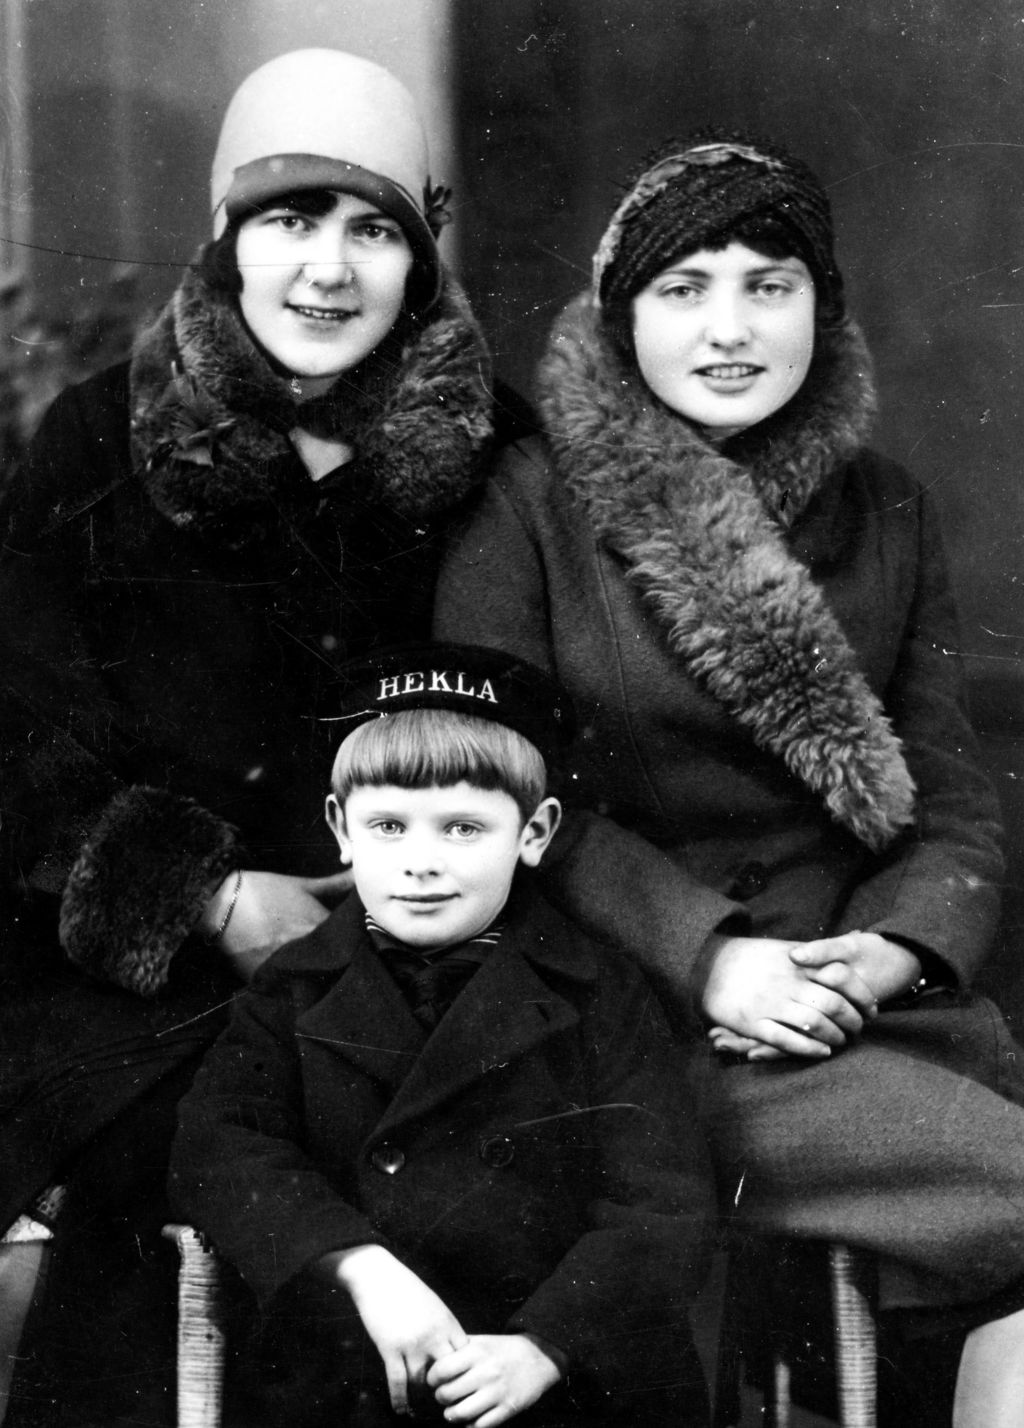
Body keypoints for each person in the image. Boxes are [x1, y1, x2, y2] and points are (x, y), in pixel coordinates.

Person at [434, 132, 1024, 1425]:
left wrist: (888, 952)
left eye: (770, 284)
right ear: (622, 316)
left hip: (855, 1009)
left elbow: (952, 800)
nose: (730, 328)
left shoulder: (888, 508)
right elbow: (509, 805)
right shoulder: (526, 506)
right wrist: (710, 957)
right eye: (684, 288)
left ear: (824, 304)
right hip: (636, 1027)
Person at [0, 49, 515, 1427]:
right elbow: (20, 751)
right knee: (216, 1158)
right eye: (289, 219)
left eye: (373, 230)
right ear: (223, 231)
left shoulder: (497, 456)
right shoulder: (100, 440)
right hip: (147, 985)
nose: (328, 270)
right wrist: (209, 896)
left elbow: (548, 734)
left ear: (425, 248)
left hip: (423, 956)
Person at [169, 642, 714, 1428]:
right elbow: (217, 1148)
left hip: (564, 1384)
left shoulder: (601, 988)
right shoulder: (292, 987)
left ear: (534, 832)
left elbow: (662, 1204)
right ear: (341, 829)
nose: (420, 862)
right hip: (356, 1377)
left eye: (462, 828)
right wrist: (359, 1266)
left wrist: (546, 1346)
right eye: (389, 825)